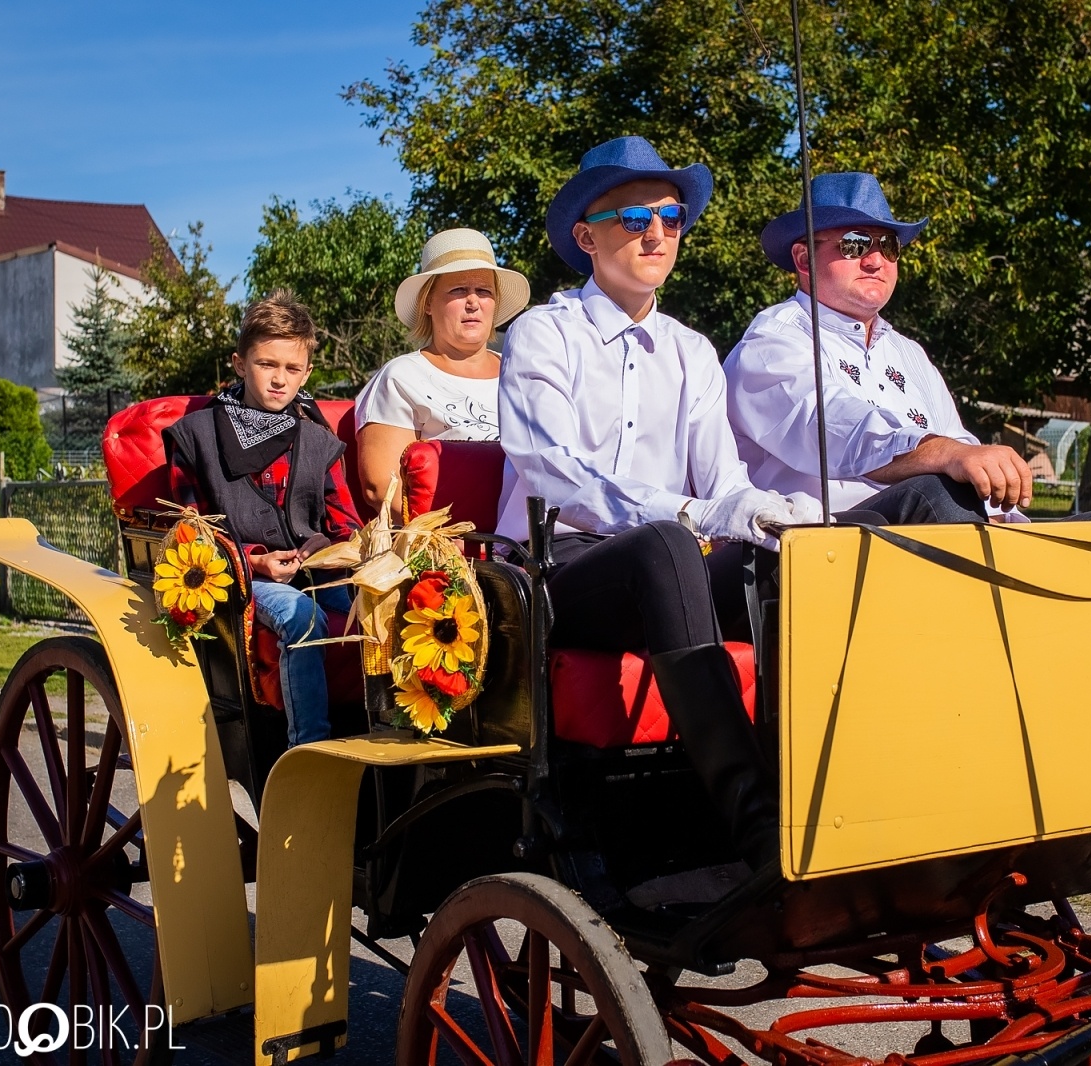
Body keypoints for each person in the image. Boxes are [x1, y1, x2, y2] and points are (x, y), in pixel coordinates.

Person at [497, 136, 820, 868]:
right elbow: (555, 473)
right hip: (555, 571)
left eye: (671, 218)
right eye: (635, 217)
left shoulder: (692, 350)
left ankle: (820, 797)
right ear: (586, 237)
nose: (657, 233)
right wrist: (694, 515)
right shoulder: (543, 333)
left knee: (784, 558)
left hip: (668, 565)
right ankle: (755, 830)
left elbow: (726, 483)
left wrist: (773, 514)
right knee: (667, 544)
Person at [727, 173, 1091, 526]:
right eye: (855, 244)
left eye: (888, 246)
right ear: (804, 259)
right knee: (934, 492)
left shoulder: (908, 353)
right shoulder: (771, 343)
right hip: (823, 547)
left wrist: (1003, 512)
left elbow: (963, 448)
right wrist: (943, 454)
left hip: (936, 530)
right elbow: (833, 426)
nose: (875, 260)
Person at [164, 291, 361, 746]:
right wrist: (253, 561)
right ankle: (307, 748)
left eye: (292, 369)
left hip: (316, 573)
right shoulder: (195, 437)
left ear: (307, 373)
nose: (279, 379)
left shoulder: (317, 440)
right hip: (240, 577)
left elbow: (346, 524)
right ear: (239, 363)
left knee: (383, 605)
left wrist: (328, 548)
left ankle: (388, 736)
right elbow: (191, 535)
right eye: (266, 364)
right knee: (301, 616)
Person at [354, 228, 531, 515]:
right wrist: (450, 538)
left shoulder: (524, 372)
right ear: (428, 303)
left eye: (484, 291)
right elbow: (381, 488)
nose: (473, 302)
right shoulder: (401, 377)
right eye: (458, 290)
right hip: (444, 538)